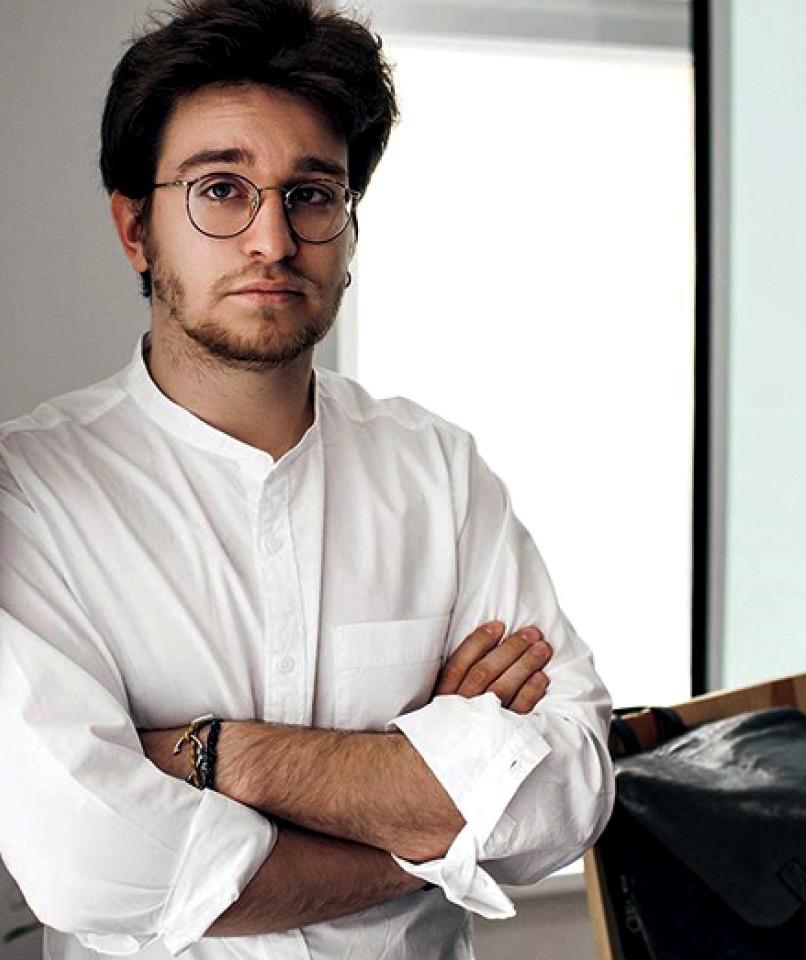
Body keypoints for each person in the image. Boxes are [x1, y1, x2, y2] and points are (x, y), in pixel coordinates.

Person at [0, 1, 614, 958]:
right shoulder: (30, 494)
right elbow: (92, 864)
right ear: (135, 229)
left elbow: (568, 790)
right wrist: (432, 819)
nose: (272, 240)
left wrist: (222, 756)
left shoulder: (438, 473)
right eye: (220, 190)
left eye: (313, 194)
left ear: (349, 229)